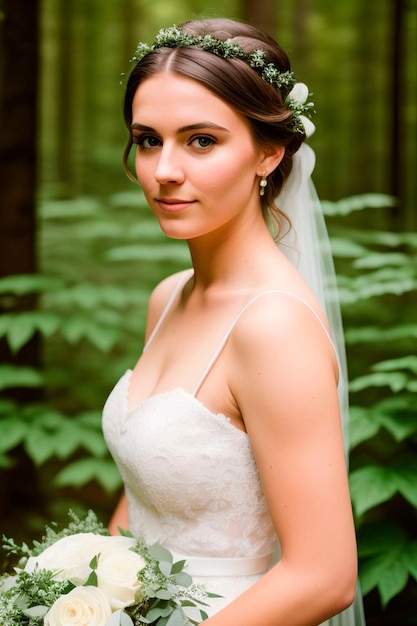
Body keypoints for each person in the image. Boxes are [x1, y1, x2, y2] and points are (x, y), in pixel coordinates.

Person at [103, 17, 366, 625]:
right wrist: (76, 590)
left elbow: (324, 578)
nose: (164, 169)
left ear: (269, 153)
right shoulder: (168, 296)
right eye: (148, 139)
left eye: (201, 140)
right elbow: (145, 497)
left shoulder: (272, 327)